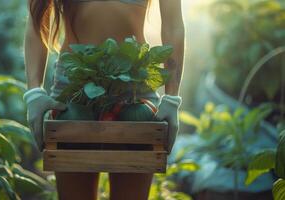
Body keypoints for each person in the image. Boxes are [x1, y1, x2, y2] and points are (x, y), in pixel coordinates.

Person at [23, 0, 184, 199]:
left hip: (134, 90)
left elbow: (173, 25)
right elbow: (37, 18)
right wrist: (34, 92)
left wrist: (172, 97)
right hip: (74, 88)